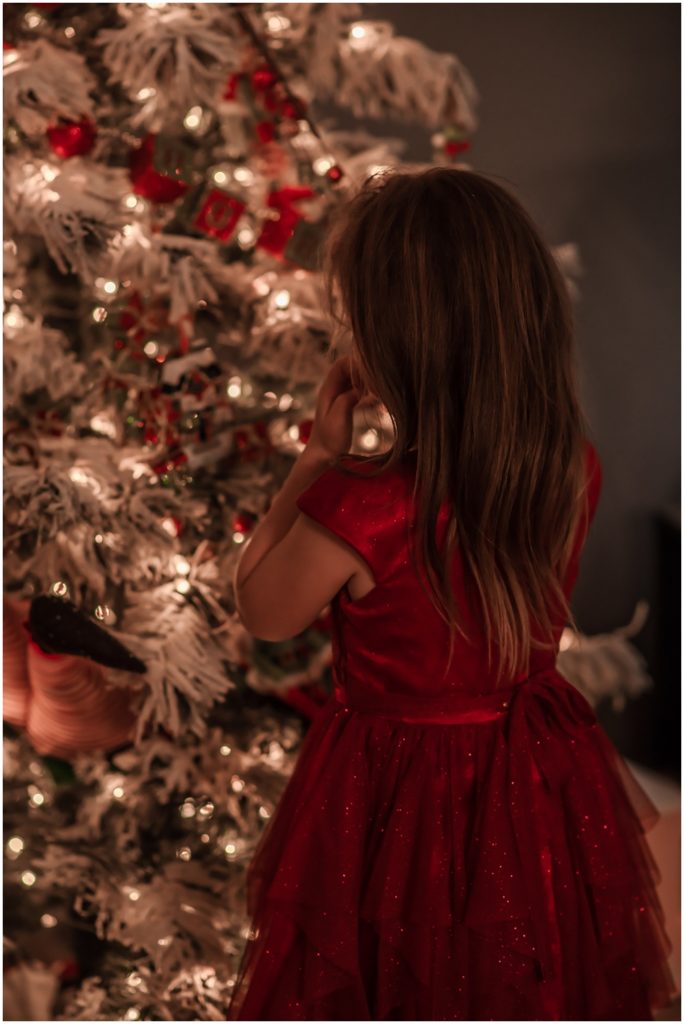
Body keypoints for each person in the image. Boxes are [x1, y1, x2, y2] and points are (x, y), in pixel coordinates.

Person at [226, 168, 677, 1020]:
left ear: (397, 340)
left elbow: (261, 609)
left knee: (398, 968)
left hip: (393, 793)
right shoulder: (568, 469)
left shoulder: (361, 507)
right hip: (535, 771)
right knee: (524, 959)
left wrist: (316, 460)